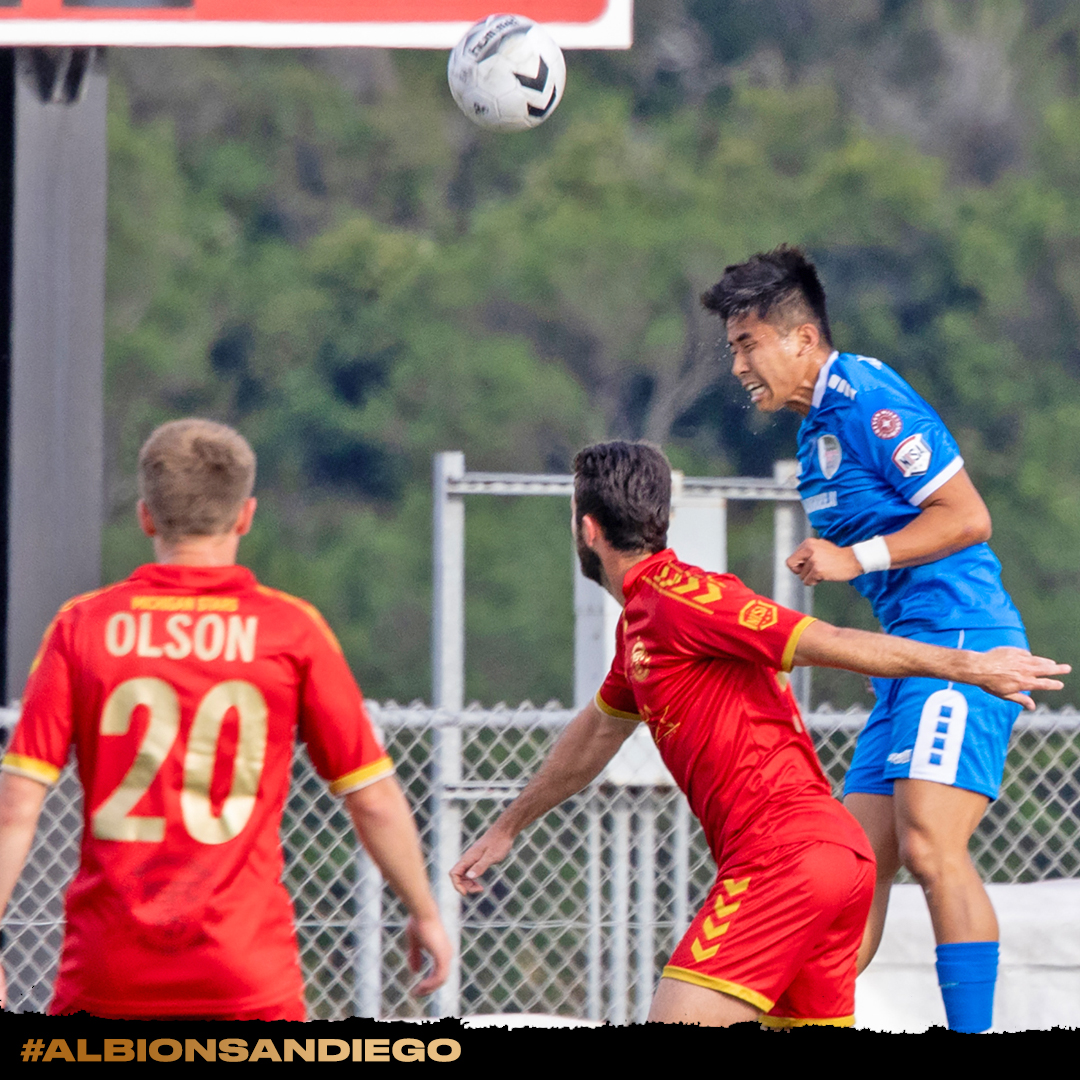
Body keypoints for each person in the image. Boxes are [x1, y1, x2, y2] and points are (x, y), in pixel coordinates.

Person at [449, 441, 1066, 1029]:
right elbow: (593, 736)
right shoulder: (641, 627)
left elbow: (832, 642)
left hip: (783, 858)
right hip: (834, 860)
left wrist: (970, 665)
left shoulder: (683, 598)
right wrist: (508, 826)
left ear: (587, 529)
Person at [0, 418, 451, 1019]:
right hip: (244, 971)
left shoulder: (82, 627)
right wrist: (423, 911)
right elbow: (372, 799)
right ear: (245, 515)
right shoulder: (291, 630)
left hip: (109, 970)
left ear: (146, 517)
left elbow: (16, 805)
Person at [701, 244, 1041, 1033]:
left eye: (748, 345)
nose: (739, 366)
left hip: (963, 641)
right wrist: (886, 645)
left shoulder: (867, 398)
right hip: (910, 659)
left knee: (929, 844)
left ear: (802, 339)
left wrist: (854, 559)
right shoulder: (813, 429)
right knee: (849, 871)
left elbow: (968, 517)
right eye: (732, 349)